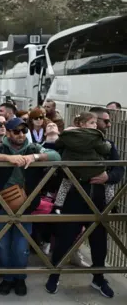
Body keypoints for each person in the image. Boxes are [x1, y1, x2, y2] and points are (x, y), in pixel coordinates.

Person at [46, 107, 124, 299]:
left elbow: (119, 169)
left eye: (104, 122)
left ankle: (98, 278)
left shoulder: (107, 144)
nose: (104, 125)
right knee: (65, 238)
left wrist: (108, 176)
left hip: (99, 199)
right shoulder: (69, 142)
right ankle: (54, 275)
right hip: (74, 197)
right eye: (101, 121)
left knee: (99, 242)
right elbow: (50, 149)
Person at [0, 117, 60, 296]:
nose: (21, 134)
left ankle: (20, 278)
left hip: (26, 206)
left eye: (24, 131)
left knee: (21, 246)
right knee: (3, 245)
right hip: (1, 205)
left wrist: (34, 157)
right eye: (16, 131)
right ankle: (7, 279)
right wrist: (9, 158)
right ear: (8, 133)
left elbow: (56, 156)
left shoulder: (33, 148)